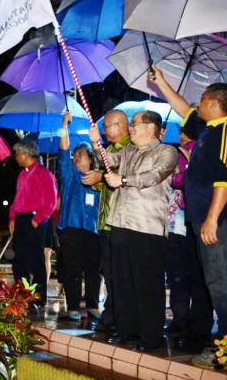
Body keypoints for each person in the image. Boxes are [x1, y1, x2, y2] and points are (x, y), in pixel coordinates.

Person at [151, 68, 227, 364]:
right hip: (203, 221)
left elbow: (225, 179)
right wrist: (161, 82)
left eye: (202, 99)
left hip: (221, 224)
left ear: (214, 103)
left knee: (223, 283)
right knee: (215, 281)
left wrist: (212, 218)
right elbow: (183, 108)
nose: (197, 104)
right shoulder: (208, 130)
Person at [89, 110, 177, 352]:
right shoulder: (128, 150)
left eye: (134, 124)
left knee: (147, 284)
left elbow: (154, 175)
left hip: (147, 227)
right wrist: (97, 142)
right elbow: (108, 160)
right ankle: (128, 332)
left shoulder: (167, 152)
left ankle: (151, 338)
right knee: (122, 281)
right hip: (120, 223)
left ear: (150, 127)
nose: (130, 128)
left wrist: (124, 181)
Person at [164, 126, 214, 353]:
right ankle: (179, 319)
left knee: (197, 278)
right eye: (181, 129)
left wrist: (188, 163)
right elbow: (174, 182)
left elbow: (192, 182)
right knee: (177, 276)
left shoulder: (203, 150)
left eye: (187, 128)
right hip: (176, 224)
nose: (181, 133)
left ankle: (199, 327)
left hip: (196, 222)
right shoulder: (179, 152)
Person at [84, 109, 130, 333]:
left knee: (119, 274)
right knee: (108, 271)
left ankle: (119, 318)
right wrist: (97, 178)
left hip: (120, 222)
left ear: (122, 125)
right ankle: (111, 315)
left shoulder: (130, 148)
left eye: (108, 126)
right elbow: (105, 178)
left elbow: (119, 174)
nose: (104, 130)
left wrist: (100, 175)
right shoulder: (110, 149)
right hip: (105, 221)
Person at [58, 112, 101, 322]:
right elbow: (64, 151)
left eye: (81, 154)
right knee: (72, 269)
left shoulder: (99, 178)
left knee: (93, 269)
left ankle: (93, 304)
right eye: (75, 155)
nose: (76, 158)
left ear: (90, 157)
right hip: (71, 229)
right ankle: (73, 306)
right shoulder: (71, 174)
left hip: (93, 230)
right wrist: (63, 125)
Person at [8, 140, 57, 312]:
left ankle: (38, 299)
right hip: (21, 220)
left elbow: (51, 201)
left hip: (35, 220)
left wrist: (38, 219)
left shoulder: (45, 174)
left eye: (17, 154)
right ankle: (21, 296)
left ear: (25, 154)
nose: (15, 157)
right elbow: (17, 199)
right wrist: (12, 217)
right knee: (19, 260)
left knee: (36, 261)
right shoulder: (22, 174)